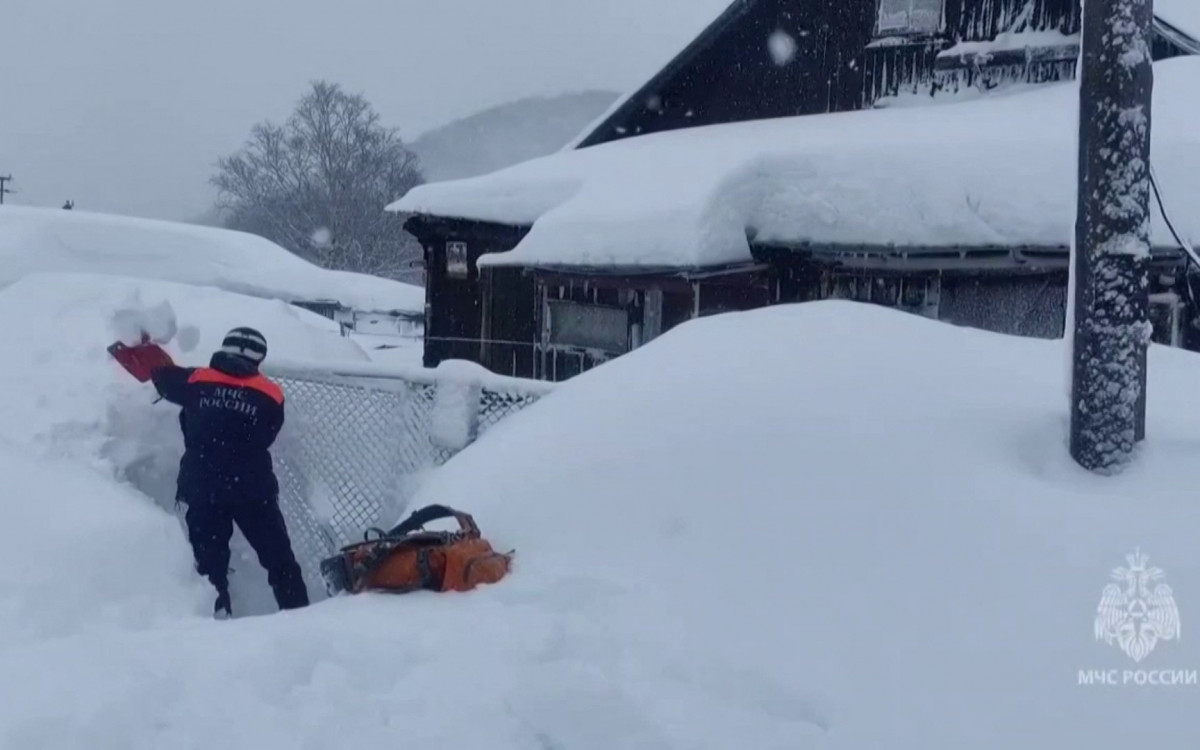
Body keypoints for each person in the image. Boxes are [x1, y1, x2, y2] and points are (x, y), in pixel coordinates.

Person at [150, 327, 309, 618]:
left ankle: (216, 627)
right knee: (280, 562)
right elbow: (268, 434)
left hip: (202, 486)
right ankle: (300, 618)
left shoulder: (195, 379)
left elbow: (159, 376)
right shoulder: (271, 395)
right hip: (252, 489)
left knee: (210, 568)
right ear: (259, 359)